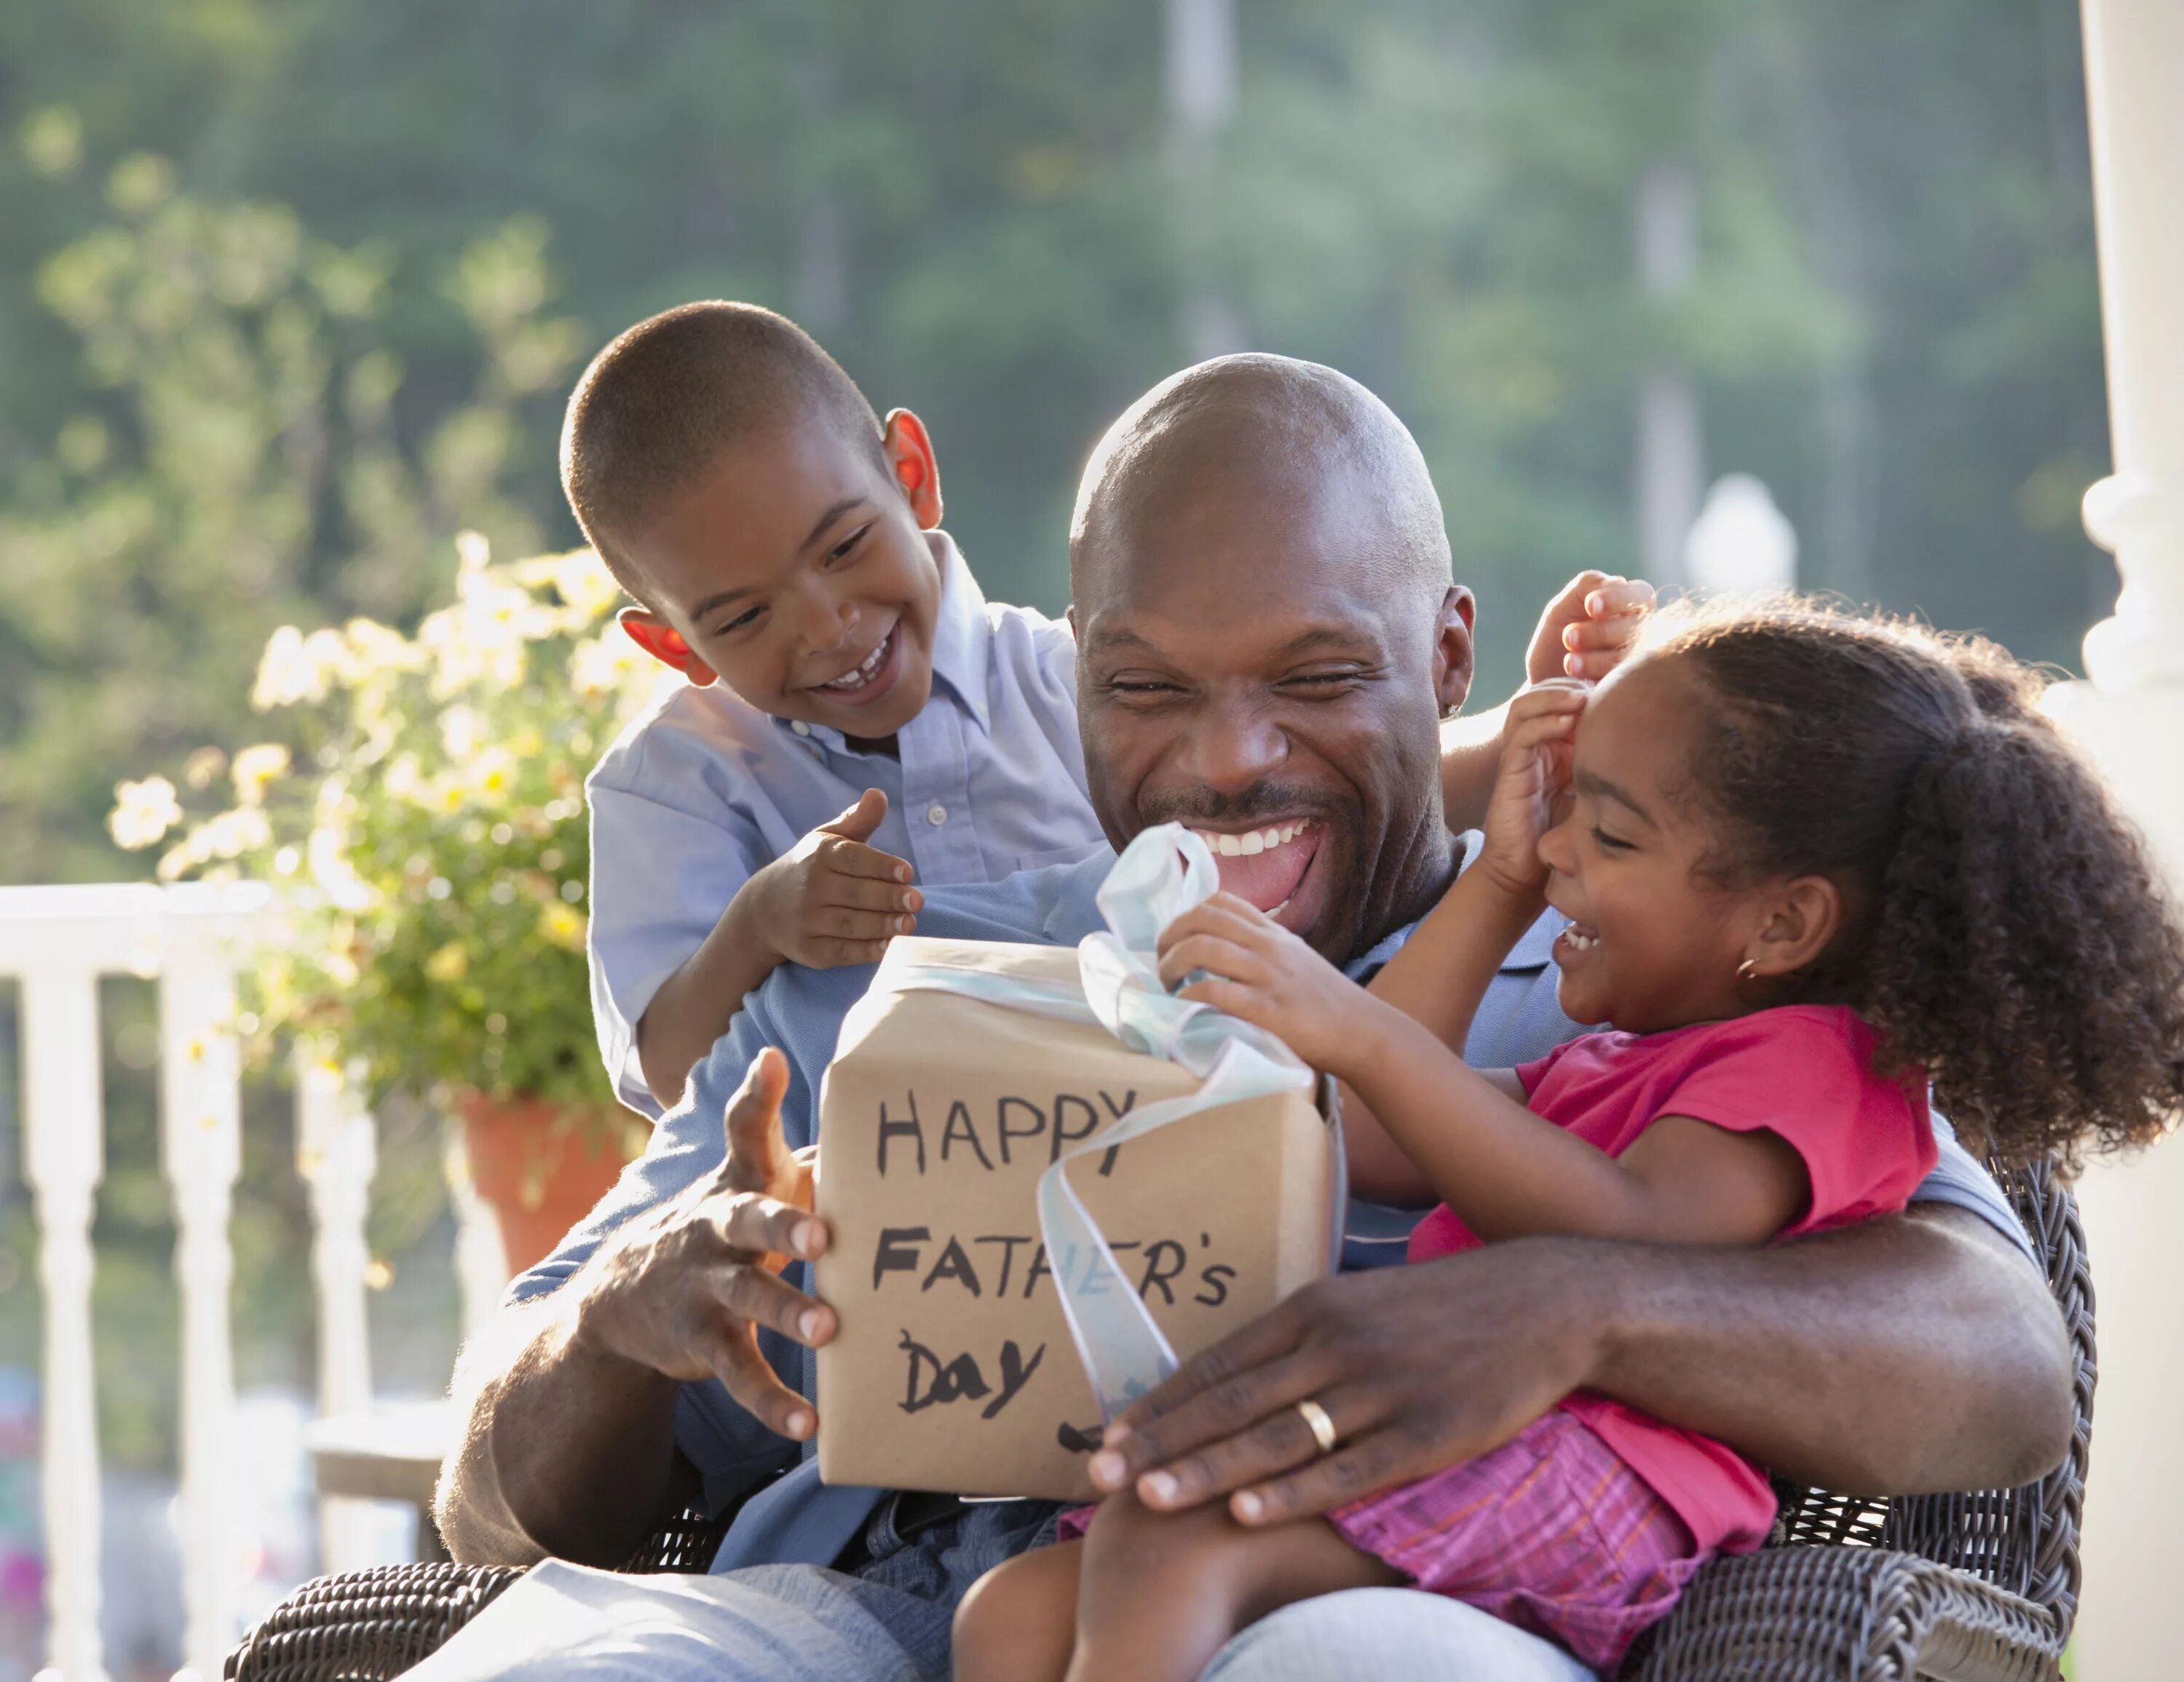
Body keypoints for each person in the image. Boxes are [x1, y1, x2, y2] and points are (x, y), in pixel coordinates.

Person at [424, 356, 2075, 1682]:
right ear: (1073, 682)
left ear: (1445, 662)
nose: (1226, 761)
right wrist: (629, 1316)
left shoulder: (1637, 983)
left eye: (1311, 677)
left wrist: (1576, 1306)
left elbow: (2002, 1364)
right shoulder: (890, 968)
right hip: (855, 1611)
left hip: (1361, 1589)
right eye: (1146, 687)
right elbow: (491, 1500)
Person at [951, 603, 2184, 1681]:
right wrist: (1495, 885)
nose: (1559, 855)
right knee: (1014, 1614)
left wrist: (1360, 1035)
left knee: (1170, 1535)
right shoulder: (1618, 1066)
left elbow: (1632, 1235)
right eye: (1567, 816)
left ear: (1784, 921)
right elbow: (1378, 1133)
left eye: (1614, 835)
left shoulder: (1820, 1070)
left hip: (1600, 1479)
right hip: (1494, 1451)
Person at [563, 301, 1651, 1113]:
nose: (828, 627)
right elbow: (669, 1082)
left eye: (845, 548)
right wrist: (759, 930)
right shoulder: (686, 789)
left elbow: (1360, 785)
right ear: (673, 644)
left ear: (913, 474)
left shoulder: (1054, 676)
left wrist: (1546, 727)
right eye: (745, 617)